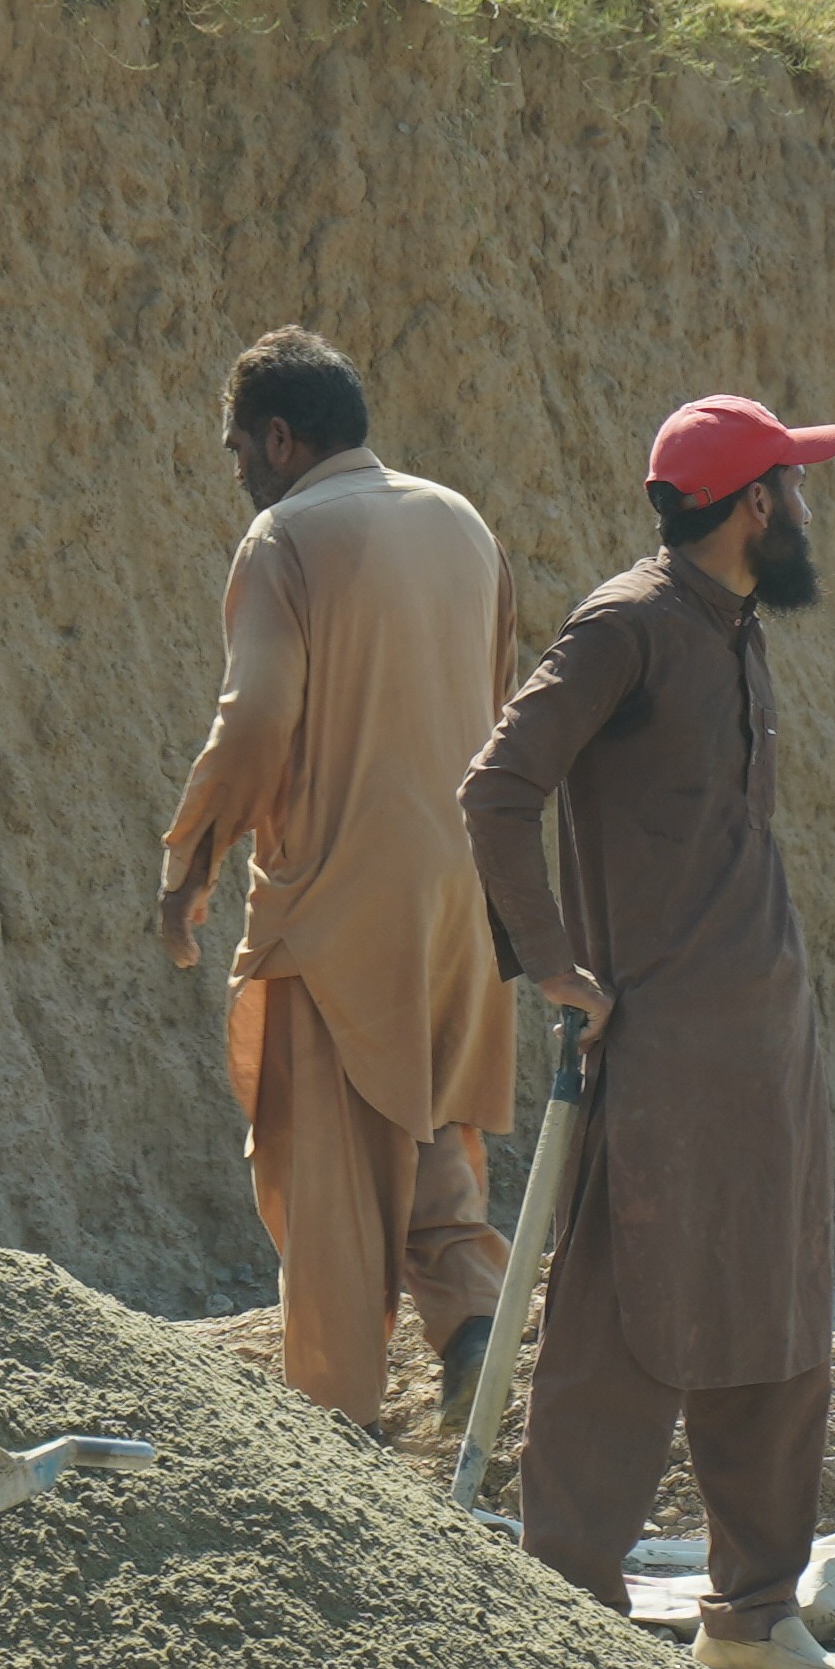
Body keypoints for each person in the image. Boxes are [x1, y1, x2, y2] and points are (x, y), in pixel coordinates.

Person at [457, 394, 835, 1669]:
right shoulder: (629, 626)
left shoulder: (736, 632)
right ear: (754, 505)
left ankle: (753, 1615)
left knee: (777, 1315)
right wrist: (549, 965)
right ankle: (566, 1617)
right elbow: (498, 785)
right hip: (665, 1049)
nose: (806, 513)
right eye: (794, 491)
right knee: (623, 1320)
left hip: (767, 1045)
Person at [156, 327, 523, 1429]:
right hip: (466, 901)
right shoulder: (463, 522)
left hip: (340, 900)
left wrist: (192, 860)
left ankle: (337, 1440)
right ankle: (469, 1322)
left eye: (238, 454)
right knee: (424, 1124)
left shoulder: (285, 536)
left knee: (328, 1181)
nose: (239, 479)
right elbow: (499, 698)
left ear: (278, 436)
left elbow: (258, 715)